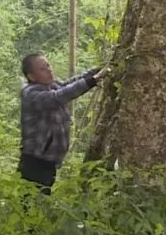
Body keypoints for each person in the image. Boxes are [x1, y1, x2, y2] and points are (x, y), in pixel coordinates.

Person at [18, 53, 108, 194]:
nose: (49, 70)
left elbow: (69, 84)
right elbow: (60, 96)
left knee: (40, 202)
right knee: (30, 204)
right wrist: (93, 80)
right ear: (32, 77)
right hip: (34, 161)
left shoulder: (52, 85)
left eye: (48, 65)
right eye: (42, 69)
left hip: (48, 161)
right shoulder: (30, 94)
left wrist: (95, 71)